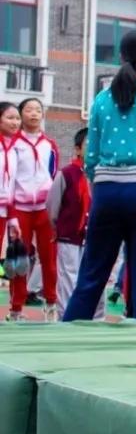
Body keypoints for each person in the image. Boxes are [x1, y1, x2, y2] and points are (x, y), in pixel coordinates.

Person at [63, 28, 136, 322]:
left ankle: (66, 337)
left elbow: (91, 156)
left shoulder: (102, 99)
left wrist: (98, 188)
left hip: (106, 191)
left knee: (91, 275)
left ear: (121, 56)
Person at [9, 97, 61, 322]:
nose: (33, 114)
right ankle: (16, 308)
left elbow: (53, 174)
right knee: (20, 259)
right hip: (19, 208)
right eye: (28, 110)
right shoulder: (12, 144)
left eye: (38, 110)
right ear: (21, 115)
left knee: (49, 259)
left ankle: (51, 304)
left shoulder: (49, 144)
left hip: (43, 209)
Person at [45, 127, 99, 320]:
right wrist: (58, 226)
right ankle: (66, 317)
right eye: (88, 144)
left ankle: (95, 317)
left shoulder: (102, 174)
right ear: (77, 149)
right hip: (69, 234)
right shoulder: (67, 173)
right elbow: (53, 204)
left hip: (95, 234)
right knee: (69, 275)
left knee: (95, 275)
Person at [0, 102, 22, 285]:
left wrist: (13, 219)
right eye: (10, 117)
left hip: (3, 212)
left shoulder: (15, 150)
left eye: (17, 118)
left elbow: (12, 186)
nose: (15, 122)